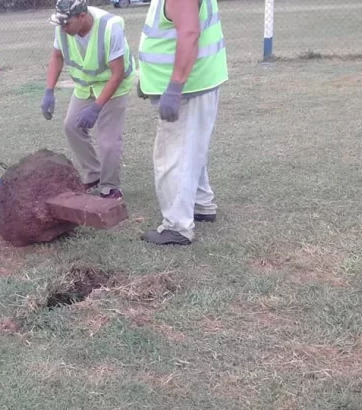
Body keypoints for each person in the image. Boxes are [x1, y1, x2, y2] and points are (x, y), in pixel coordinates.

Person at [136, 0, 228, 245]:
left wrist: (175, 87)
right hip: (199, 81)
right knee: (192, 149)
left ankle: (177, 226)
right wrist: (148, 80)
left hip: (190, 87)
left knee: (172, 157)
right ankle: (201, 204)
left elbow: (189, 34)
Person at [40, 0, 136, 199]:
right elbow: (57, 56)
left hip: (113, 85)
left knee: (108, 141)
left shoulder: (111, 27)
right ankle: (93, 174)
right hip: (85, 85)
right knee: (71, 126)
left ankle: (111, 187)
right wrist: (49, 90)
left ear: (82, 17)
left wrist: (97, 107)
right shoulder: (63, 27)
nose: (63, 28)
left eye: (67, 23)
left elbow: (117, 73)